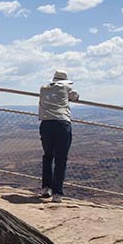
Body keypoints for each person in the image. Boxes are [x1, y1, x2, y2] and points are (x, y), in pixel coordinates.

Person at [38, 70, 79, 203]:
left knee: (48, 156)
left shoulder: (43, 88)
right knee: (61, 159)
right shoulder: (66, 87)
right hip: (62, 123)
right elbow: (75, 96)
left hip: (46, 124)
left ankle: (46, 188)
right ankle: (57, 193)